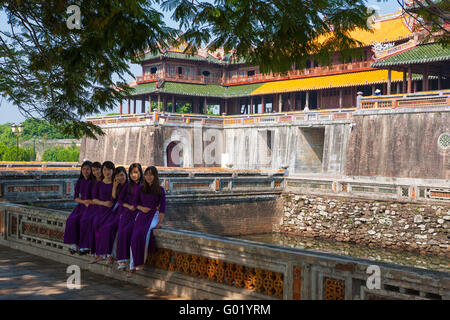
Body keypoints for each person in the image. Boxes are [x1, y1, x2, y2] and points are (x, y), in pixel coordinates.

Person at [128, 166, 165, 276]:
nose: (148, 177)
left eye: (151, 174)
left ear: (155, 176)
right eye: (147, 174)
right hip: (141, 215)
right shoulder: (141, 188)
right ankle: (132, 266)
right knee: (134, 237)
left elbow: (162, 207)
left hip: (154, 215)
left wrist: (160, 222)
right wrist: (141, 208)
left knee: (145, 233)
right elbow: (135, 204)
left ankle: (140, 262)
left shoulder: (160, 190)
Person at [95, 166, 128, 264]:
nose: (120, 178)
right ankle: (104, 253)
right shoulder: (117, 186)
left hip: (126, 211)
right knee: (105, 227)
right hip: (117, 210)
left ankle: (110, 255)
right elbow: (113, 198)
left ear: (126, 175)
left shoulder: (129, 186)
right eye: (117, 176)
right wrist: (114, 186)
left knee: (110, 227)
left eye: (122, 175)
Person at [116, 163, 143, 270]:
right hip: (127, 212)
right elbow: (120, 200)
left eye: (136, 172)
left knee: (129, 231)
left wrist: (137, 207)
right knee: (122, 231)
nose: (134, 175)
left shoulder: (144, 186)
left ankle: (131, 259)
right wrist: (128, 206)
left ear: (140, 173)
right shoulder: (128, 186)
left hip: (138, 213)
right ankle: (122, 260)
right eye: (131, 173)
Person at [63, 160, 94, 254]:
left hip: (92, 206)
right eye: (83, 169)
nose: (85, 171)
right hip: (81, 206)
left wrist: (89, 202)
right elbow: (75, 198)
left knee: (84, 221)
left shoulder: (94, 182)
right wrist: (83, 202)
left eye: (88, 169)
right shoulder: (79, 182)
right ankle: (73, 244)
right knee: (71, 220)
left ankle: (84, 245)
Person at [89, 161, 115, 264]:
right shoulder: (98, 184)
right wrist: (104, 203)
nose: (107, 172)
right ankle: (98, 254)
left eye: (109, 170)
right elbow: (94, 199)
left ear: (113, 170)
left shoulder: (115, 183)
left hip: (113, 211)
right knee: (95, 224)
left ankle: (109, 254)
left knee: (107, 228)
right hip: (101, 210)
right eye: (104, 169)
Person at [78, 161, 102, 255]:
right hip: (94, 205)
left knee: (92, 220)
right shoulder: (93, 182)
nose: (96, 172)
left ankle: (93, 247)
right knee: (84, 220)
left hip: (103, 207)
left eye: (97, 170)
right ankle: (84, 245)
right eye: (94, 170)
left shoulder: (105, 181)